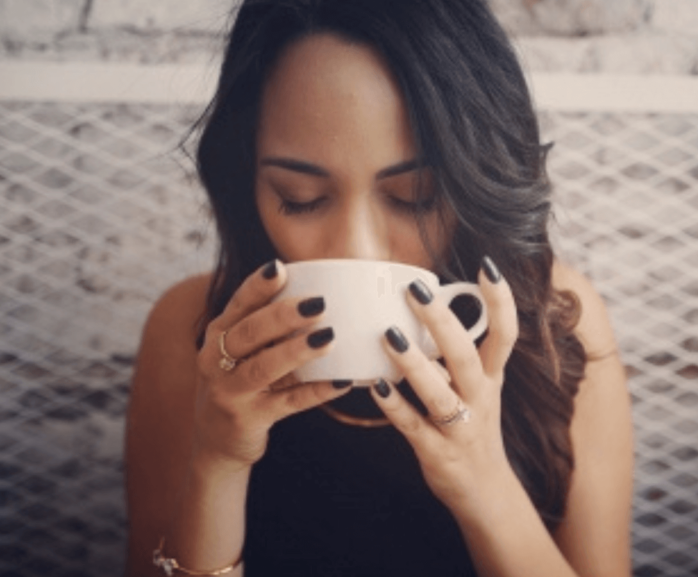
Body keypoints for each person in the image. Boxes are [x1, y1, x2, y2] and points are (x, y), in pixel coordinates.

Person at [126, 0, 633, 575]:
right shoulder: (193, 330)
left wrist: (484, 482)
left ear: (475, 180)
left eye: (414, 196)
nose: (357, 250)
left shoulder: (555, 321)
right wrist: (216, 462)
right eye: (301, 196)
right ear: (248, 180)